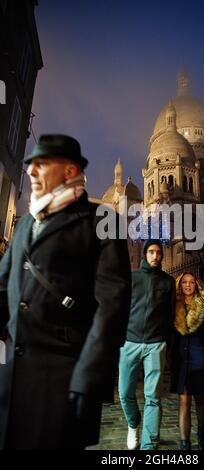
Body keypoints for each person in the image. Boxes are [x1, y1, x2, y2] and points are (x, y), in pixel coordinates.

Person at [0, 134, 131, 450]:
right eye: (31, 164)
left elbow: (111, 307)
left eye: (41, 165)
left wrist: (87, 379)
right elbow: (3, 286)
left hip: (63, 382)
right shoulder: (25, 224)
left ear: (70, 172)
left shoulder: (103, 221)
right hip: (11, 380)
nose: (31, 172)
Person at [118, 239, 175, 450]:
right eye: (151, 252)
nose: (155, 256)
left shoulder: (168, 282)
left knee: (153, 397)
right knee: (125, 393)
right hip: (129, 342)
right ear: (145, 254)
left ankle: (148, 446)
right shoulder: (132, 278)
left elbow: (169, 316)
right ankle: (133, 424)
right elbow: (121, 309)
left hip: (155, 344)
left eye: (158, 252)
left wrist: (165, 343)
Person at [170, 272, 204, 450]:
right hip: (181, 361)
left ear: (196, 285)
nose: (188, 285)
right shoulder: (174, 307)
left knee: (200, 400)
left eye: (191, 282)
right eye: (184, 283)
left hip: (200, 359)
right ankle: (184, 442)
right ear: (180, 285)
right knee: (184, 401)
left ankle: (202, 433)